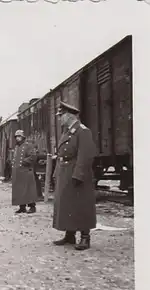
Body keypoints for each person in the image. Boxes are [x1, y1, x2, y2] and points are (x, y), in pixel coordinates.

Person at [52, 101, 97, 251]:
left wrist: (79, 174)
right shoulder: (67, 131)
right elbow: (61, 154)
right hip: (65, 172)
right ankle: (70, 234)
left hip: (76, 173)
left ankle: (85, 237)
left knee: (81, 204)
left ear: (69, 115)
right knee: (67, 204)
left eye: (61, 115)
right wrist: (56, 172)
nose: (59, 119)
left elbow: (85, 155)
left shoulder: (83, 131)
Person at [11, 130, 39, 213]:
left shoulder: (28, 146)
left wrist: (24, 162)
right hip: (18, 172)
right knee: (19, 190)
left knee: (29, 190)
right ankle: (22, 207)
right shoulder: (16, 147)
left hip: (26, 171)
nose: (17, 138)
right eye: (16, 137)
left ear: (23, 137)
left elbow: (33, 156)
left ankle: (32, 207)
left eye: (19, 136)